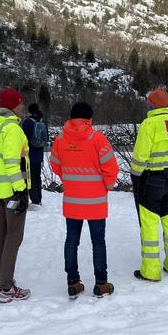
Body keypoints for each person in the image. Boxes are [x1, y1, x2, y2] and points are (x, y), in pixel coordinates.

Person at [50, 102, 119, 299]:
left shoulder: (60, 139)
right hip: (95, 201)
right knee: (98, 242)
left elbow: (55, 165)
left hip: (72, 200)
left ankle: (73, 282)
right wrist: (108, 185)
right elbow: (111, 167)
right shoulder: (97, 138)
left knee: (72, 240)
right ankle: (101, 283)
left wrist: (69, 180)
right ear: (89, 119)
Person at [130, 88, 168, 281]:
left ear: (152, 104)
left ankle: (151, 270)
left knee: (149, 223)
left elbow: (140, 155)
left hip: (150, 179)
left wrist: (136, 175)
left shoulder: (149, 124)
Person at [0, 88, 31, 303]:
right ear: (12, 106)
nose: (22, 107)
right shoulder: (12, 129)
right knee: (13, 237)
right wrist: (21, 191)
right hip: (12, 191)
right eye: (20, 103)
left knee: (0, 234)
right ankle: (6, 287)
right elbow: (12, 163)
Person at [22, 103, 49, 207]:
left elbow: (23, 138)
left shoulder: (28, 122)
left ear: (29, 111)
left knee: (31, 177)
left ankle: (35, 200)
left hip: (30, 154)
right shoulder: (43, 122)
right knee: (37, 176)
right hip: (39, 154)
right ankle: (39, 198)